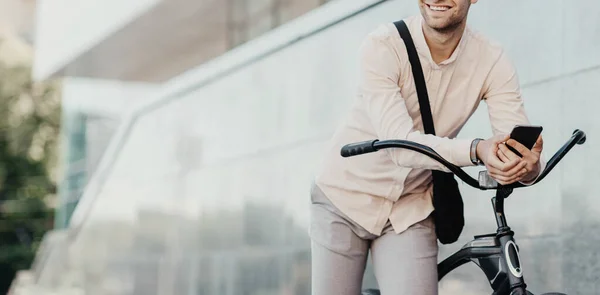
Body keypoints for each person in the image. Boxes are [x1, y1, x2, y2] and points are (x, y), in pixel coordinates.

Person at [309, 0, 546, 294]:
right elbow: (400, 146)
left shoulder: (492, 59)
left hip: (410, 207)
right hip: (344, 196)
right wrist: (477, 150)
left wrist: (526, 166)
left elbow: (513, 141)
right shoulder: (383, 45)